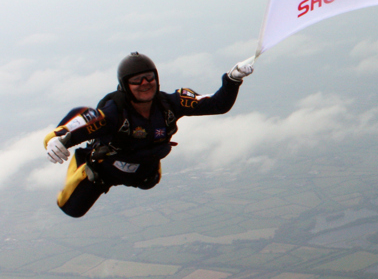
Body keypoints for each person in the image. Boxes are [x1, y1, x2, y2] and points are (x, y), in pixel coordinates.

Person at [44, 52, 254, 218]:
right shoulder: (114, 114)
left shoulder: (171, 104)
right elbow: (83, 119)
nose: (145, 83)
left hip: (145, 168)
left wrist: (232, 79)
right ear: (125, 86)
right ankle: (83, 163)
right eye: (136, 80)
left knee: (149, 181)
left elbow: (217, 104)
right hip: (105, 171)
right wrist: (55, 138)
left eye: (149, 77)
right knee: (72, 210)